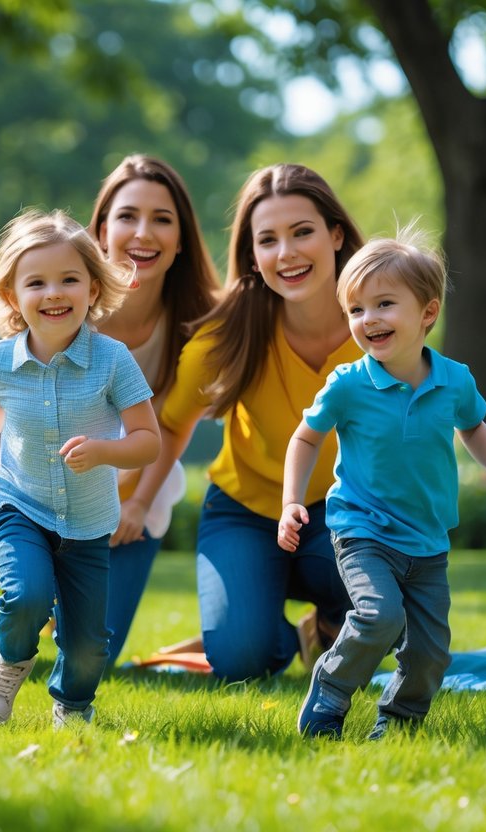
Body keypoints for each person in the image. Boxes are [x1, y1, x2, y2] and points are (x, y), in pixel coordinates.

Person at [279, 228, 486, 740]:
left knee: (430, 651)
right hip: (364, 529)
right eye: (356, 310)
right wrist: (292, 501)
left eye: (383, 304)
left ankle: (398, 723)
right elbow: (305, 439)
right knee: (379, 616)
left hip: (427, 539)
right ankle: (330, 692)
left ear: (428, 312)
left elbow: (473, 425)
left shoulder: (455, 380)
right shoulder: (349, 384)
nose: (368, 319)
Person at [128, 163, 364, 682]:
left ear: (337, 234)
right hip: (247, 513)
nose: (287, 254)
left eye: (303, 232)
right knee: (240, 659)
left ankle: (333, 620)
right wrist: (138, 504)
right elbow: (170, 425)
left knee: (387, 604)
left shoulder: (381, 329)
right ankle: (275, 634)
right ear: (252, 256)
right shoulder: (225, 337)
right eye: (268, 240)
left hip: (344, 517)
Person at [0, 209, 160, 727]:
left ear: (93, 290)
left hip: (87, 520)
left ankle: (73, 704)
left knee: (87, 646)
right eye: (36, 282)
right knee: (26, 595)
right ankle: (10, 662)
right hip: (20, 502)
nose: (54, 293)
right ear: (13, 295)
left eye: (69, 280)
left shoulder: (113, 360)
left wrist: (104, 450)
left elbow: (148, 443)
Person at [88, 154, 220, 664]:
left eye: (162, 219)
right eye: (127, 216)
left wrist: (139, 505)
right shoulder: (65, 301)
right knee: (35, 634)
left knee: (94, 654)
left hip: (139, 494)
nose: (144, 233)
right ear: (101, 229)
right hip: (55, 491)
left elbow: (173, 427)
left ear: (181, 238)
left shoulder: (198, 323)